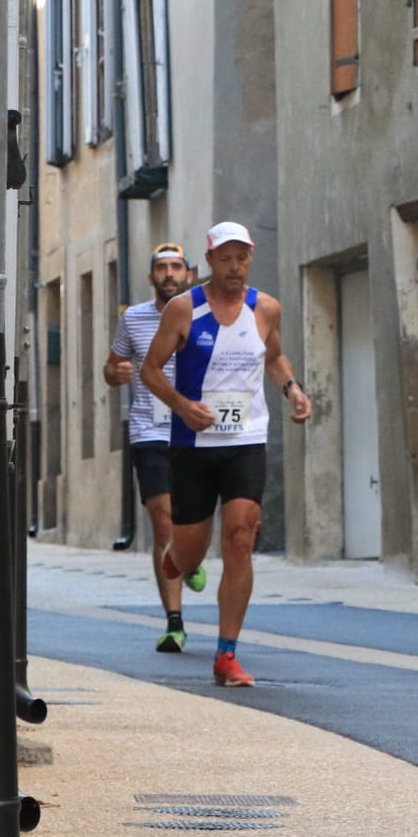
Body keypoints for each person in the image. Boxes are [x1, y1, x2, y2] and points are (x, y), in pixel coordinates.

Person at [141, 222, 313, 687]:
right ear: (211, 260)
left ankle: (226, 655)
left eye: (243, 258)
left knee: (240, 537)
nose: (235, 266)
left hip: (245, 442)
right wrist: (181, 406)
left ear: (249, 260)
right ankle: (179, 559)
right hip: (193, 445)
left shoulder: (265, 309)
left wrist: (293, 390)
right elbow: (150, 370)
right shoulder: (183, 310)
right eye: (227, 258)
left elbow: (273, 357)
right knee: (193, 553)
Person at [106, 243, 205, 650]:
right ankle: (174, 621)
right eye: (161, 268)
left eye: (176, 267)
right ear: (151, 277)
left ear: (189, 275)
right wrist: (117, 372)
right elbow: (111, 369)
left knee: (194, 521)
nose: (168, 274)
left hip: (198, 433)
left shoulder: (207, 313)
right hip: (149, 432)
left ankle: (190, 558)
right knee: (162, 522)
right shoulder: (133, 320)